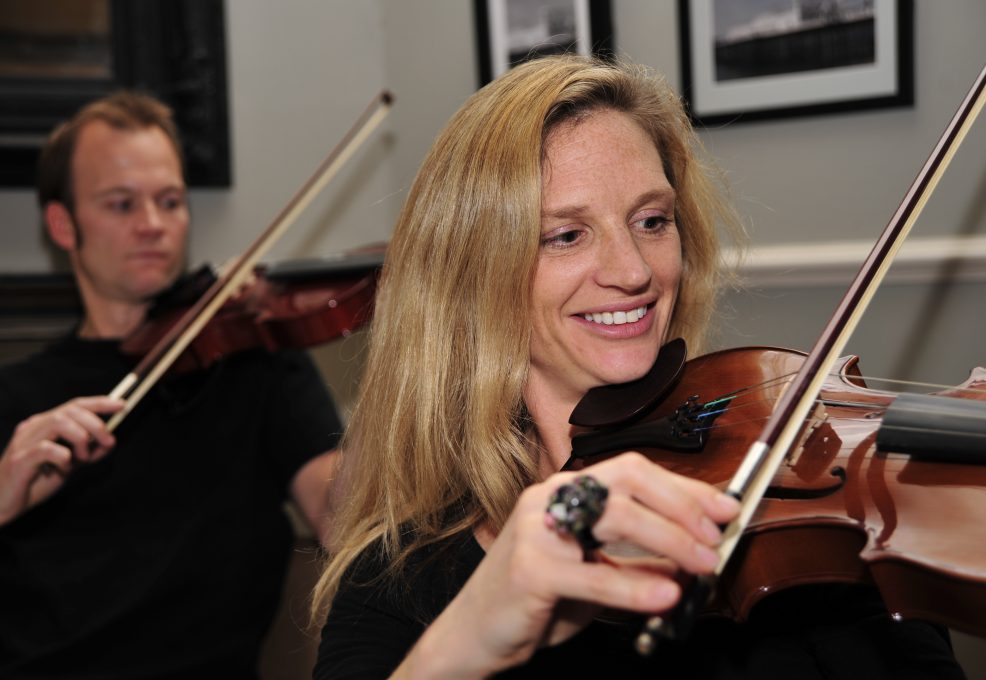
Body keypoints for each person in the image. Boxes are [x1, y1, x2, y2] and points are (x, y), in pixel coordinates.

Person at [310, 56, 965, 678]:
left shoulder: (807, 534)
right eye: (566, 235)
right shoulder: (395, 584)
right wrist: (471, 633)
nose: (634, 271)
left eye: (652, 220)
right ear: (471, 277)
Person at [0, 92, 343, 678]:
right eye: (121, 204)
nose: (153, 225)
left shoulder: (253, 360)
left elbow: (349, 527)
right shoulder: (18, 399)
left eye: (170, 201)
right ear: (63, 224)